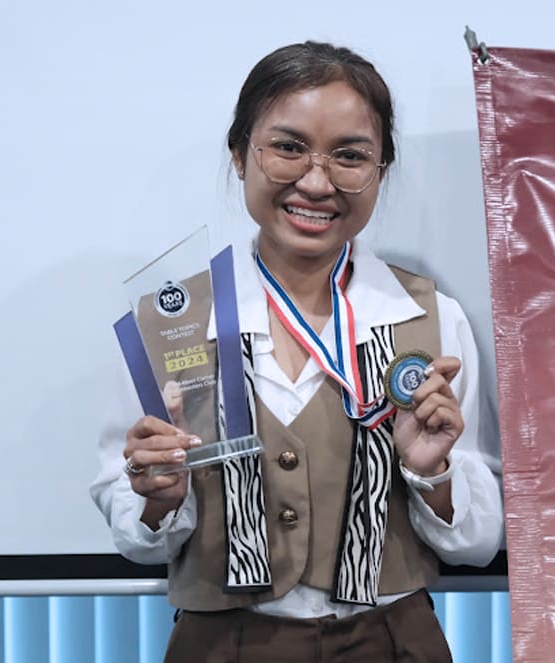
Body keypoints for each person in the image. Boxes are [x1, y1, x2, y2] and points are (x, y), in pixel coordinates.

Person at [90, 41, 503, 663]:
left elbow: (476, 543)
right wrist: (157, 498)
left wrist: (431, 474)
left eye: (350, 156)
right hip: (219, 646)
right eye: (287, 147)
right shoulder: (164, 328)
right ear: (239, 155)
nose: (317, 181)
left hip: (394, 642)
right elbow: (138, 542)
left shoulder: (431, 320)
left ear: (379, 171)